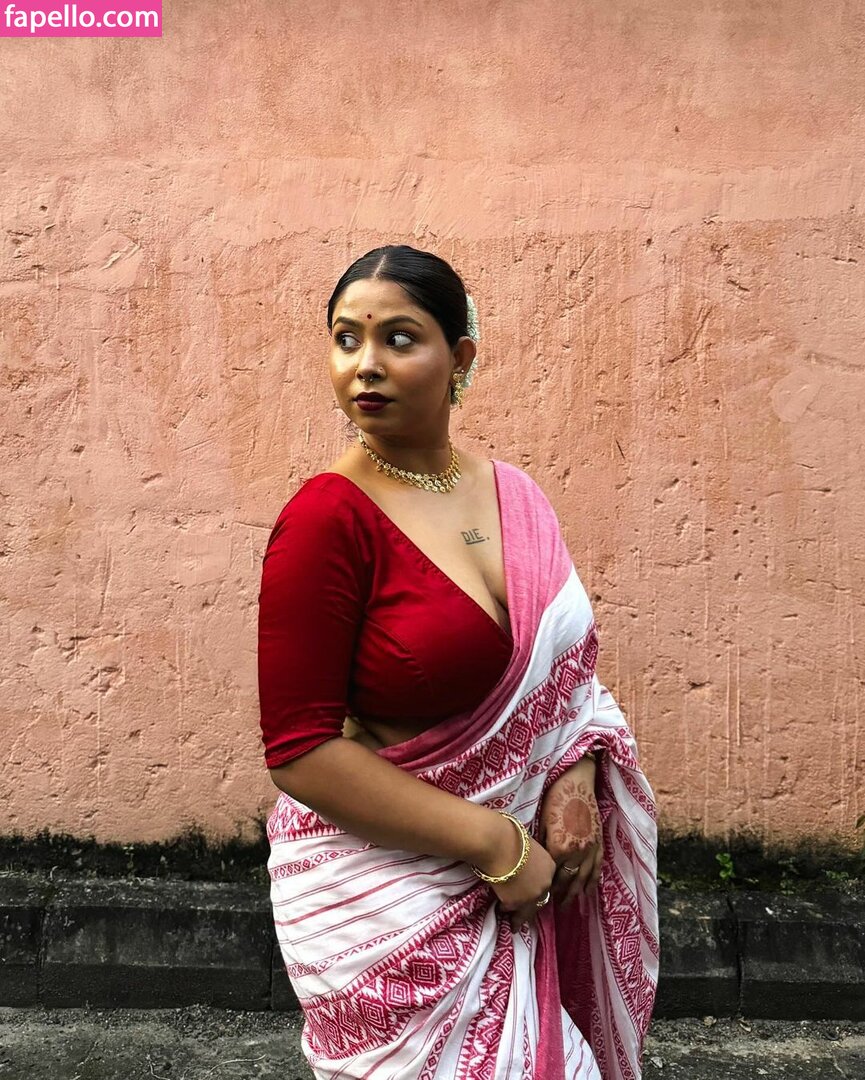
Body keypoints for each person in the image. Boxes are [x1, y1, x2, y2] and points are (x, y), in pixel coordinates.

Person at [257, 244, 658, 1079]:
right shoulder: (326, 520)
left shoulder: (516, 495)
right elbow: (299, 750)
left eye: (398, 338)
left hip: (525, 881)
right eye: (345, 339)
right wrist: (496, 845)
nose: (365, 364)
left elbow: (564, 680)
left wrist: (574, 774)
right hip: (388, 906)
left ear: (459, 357)